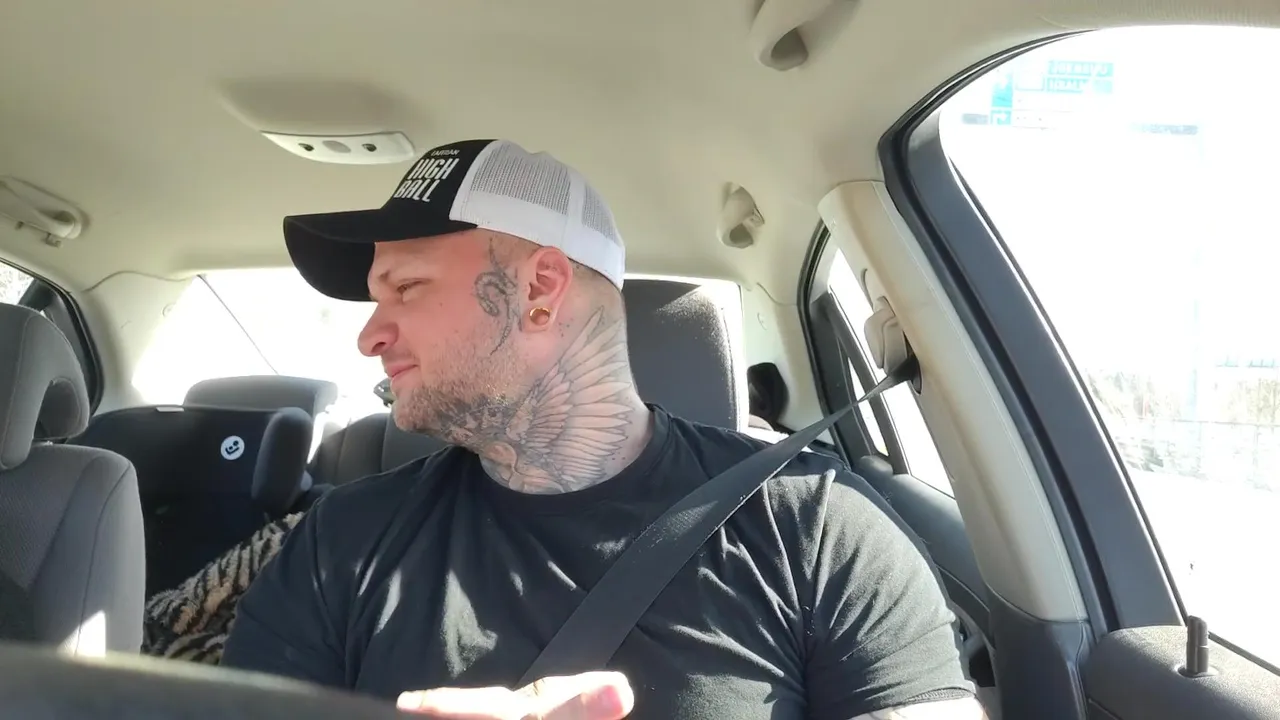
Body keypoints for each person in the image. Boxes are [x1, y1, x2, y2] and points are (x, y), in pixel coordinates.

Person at [220, 138, 985, 719]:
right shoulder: (339, 544)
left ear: (541, 289)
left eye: (407, 287)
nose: (370, 335)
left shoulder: (815, 528)